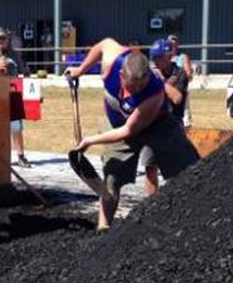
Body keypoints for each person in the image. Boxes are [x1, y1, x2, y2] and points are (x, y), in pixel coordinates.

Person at [65, 37, 199, 231]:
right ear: (121, 74)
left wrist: (90, 141)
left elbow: (128, 130)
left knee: (189, 170)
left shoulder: (154, 94)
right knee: (111, 178)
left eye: (138, 88)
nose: (132, 93)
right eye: (130, 86)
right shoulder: (113, 59)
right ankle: (103, 230)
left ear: (147, 79)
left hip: (157, 125)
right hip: (117, 122)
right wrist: (80, 69)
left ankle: (196, 220)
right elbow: (104, 44)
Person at [141, 38, 191, 196]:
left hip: (172, 127)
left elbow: (176, 98)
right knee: (150, 167)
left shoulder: (180, 74)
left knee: (174, 171)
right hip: (151, 126)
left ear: (169, 57)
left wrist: (160, 82)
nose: (155, 62)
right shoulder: (148, 74)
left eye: (158, 58)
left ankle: (175, 203)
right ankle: (151, 203)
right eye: (153, 58)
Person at [0, 27, 32, 168]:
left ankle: (21, 156)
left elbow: (24, 73)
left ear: (8, 39)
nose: (0, 41)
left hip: (12, 94)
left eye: (3, 38)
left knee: (16, 126)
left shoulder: (14, 55)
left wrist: (32, 91)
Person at [167, 34, 193, 127]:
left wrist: (180, 77)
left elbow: (188, 74)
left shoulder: (182, 57)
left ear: (177, 45)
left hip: (180, 88)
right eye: (170, 44)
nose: (172, 46)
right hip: (167, 90)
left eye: (174, 43)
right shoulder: (164, 57)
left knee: (184, 116)